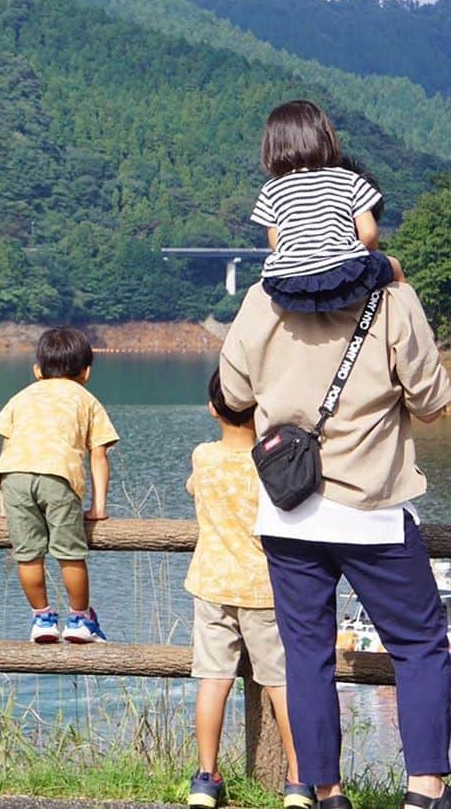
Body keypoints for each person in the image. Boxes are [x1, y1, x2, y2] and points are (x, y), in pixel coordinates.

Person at [220, 276, 451, 808]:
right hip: (371, 513)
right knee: (419, 647)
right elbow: (432, 399)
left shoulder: (261, 297)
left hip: (289, 517)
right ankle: (424, 790)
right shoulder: (391, 298)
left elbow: (233, 394)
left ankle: (326, 792)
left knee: (306, 657)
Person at [184, 370, 313, 809]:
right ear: (261, 409)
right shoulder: (271, 463)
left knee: (213, 680)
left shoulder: (203, 456)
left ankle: (205, 777)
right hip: (263, 588)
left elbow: (194, 491)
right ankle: (298, 781)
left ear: (211, 408)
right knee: (280, 684)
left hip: (211, 584)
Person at [0, 326, 118, 644]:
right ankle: (79, 619)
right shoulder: (86, 400)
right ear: (86, 372)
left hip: (14, 478)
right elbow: (98, 456)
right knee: (70, 554)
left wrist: (3, 503)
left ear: (37, 371)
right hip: (58, 476)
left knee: (28, 555)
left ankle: (42, 618)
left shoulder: (20, 397)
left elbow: (7, 448)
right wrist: (98, 507)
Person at [252, 99, 404, 313]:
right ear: (326, 138)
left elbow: (277, 245)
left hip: (290, 283)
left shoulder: (271, 190)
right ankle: (417, 329)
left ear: (272, 146)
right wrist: (352, 258)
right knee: (394, 266)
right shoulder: (349, 180)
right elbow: (369, 234)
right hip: (346, 275)